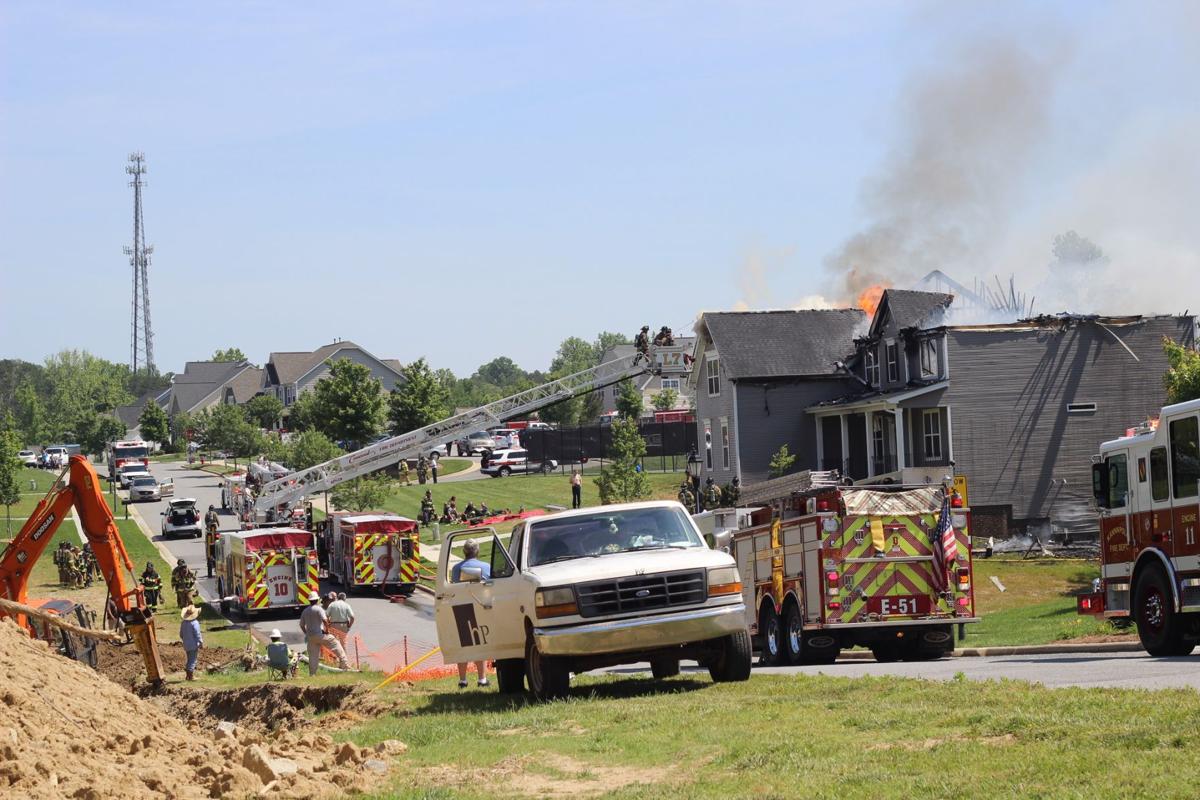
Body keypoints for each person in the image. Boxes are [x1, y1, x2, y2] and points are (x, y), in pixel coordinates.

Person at [450, 540, 490, 689]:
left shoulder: (456, 569)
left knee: (464, 644)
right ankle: (482, 679)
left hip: (461, 608)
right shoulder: (486, 567)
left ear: (464, 552)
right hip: (480, 608)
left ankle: (463, 680)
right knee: (480, 643)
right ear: (477, 551)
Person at [298, 594, 350, 676]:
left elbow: (301, 625)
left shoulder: (305, 611)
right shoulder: (319, 609)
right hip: (320, 635)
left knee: (313, 656)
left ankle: (312, 674)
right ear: (317, 600)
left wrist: (306, 633)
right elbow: (325, 620)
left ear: (309, 600)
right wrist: (327, 631)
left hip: (311, 637)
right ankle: (344, 664)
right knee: (335, 643)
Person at [179, 604, 203, 681]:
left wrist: (185, 640)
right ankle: (191, 677)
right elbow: (197, 634)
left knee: (189, 659)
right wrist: (200, 642)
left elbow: (181, 634)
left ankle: (187, 676)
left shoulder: (183, 623)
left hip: (186, 644)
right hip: (193, 644)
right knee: (193, 660)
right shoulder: (195, 623)